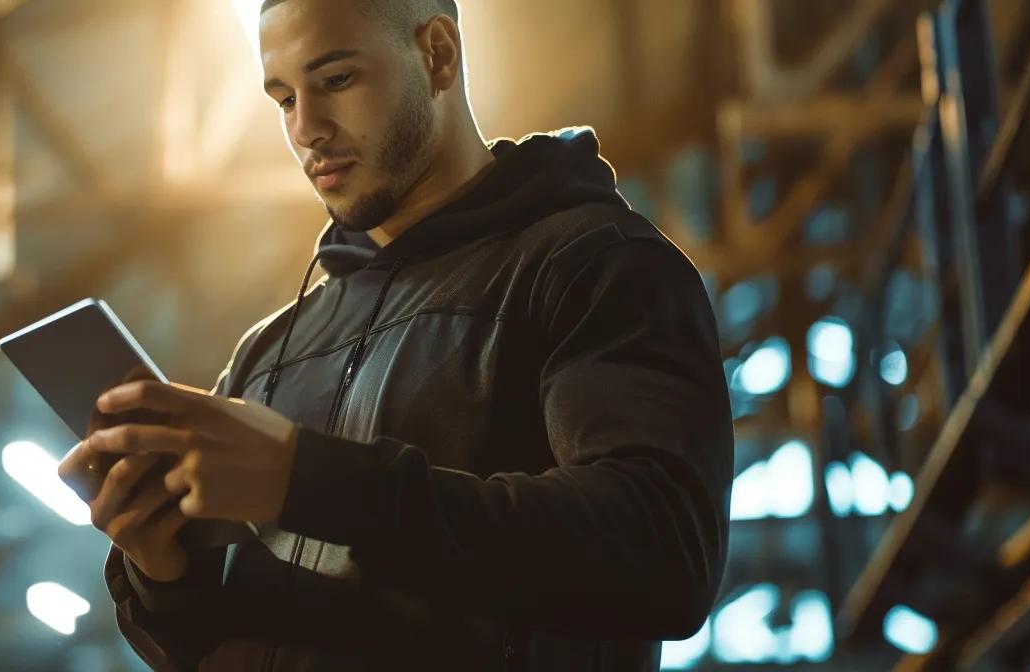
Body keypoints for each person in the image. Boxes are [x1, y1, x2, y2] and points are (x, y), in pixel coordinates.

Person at [58, 0, 733, 668]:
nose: (307, 128)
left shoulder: (592, 265)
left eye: (336, 80)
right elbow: (216, 643)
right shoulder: (266, 351)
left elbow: (663, 552)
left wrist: (305, 479)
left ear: (437, 54)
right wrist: (162, 573)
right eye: (284, 98)